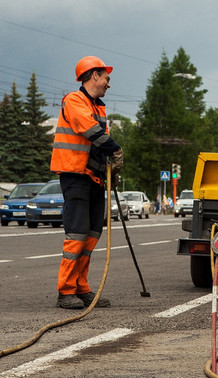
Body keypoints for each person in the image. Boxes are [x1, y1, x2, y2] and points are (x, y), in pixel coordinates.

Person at [50, 56, 124, 309]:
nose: (108, 84)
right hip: (76, 176)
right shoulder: (74, 101)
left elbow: (97, 145)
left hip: (94, 177)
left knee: (92, 235)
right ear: (94, 76)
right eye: (106, 78)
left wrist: (110, 170)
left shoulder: (98, 107)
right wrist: (115, 149)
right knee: (77, 235)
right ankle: (66, 291)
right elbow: (90, 131)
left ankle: (81, 287)